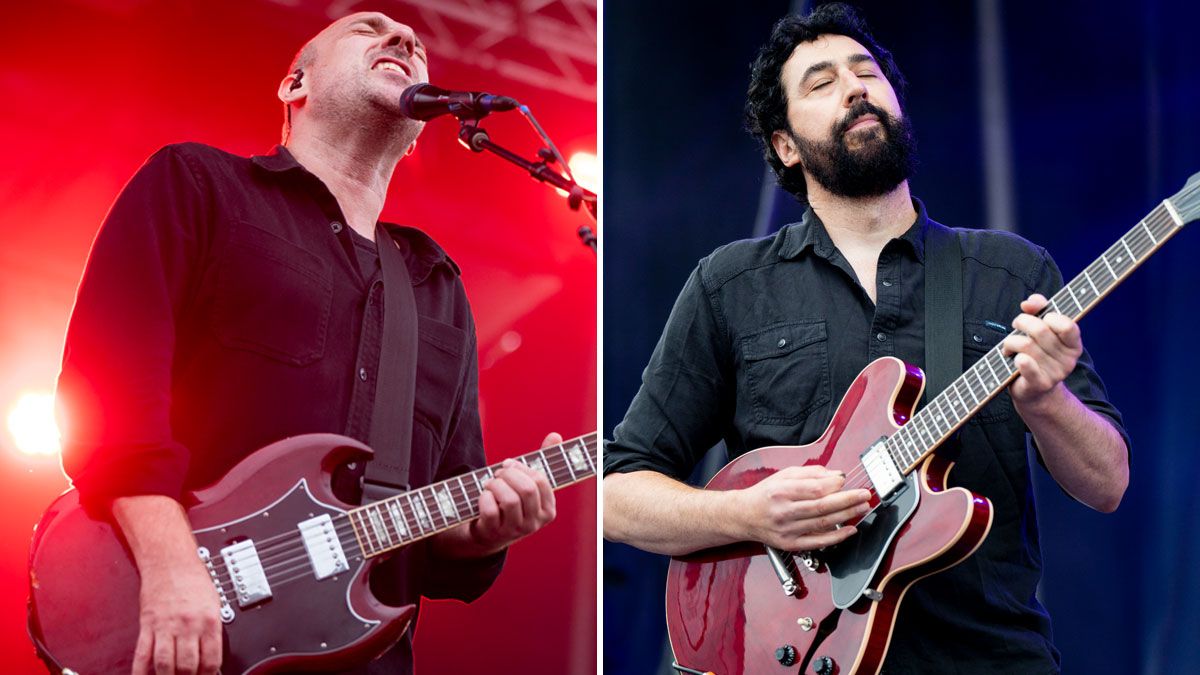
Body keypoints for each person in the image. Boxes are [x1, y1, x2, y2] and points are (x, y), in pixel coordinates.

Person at [602, 4, 1129, 673]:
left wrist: (1047, 402)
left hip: (988, 656)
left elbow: (1108, 483)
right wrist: (751, 514)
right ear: (785, 145)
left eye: (866, 72)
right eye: (821, 83)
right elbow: (616, 493)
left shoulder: (1012, 272)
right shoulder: (730, 284)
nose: (855, 87)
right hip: (798, 651)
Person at [56, 11, 558, 675]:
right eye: (368, 30)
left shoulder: (434, 286)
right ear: (296, 84)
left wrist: (488, 527)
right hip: (180, 636)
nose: (406, 41)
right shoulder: (198, 187)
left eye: (417, 45)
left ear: (415, 140)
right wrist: (173, 569)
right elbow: (107, 398)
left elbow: (443, 522)